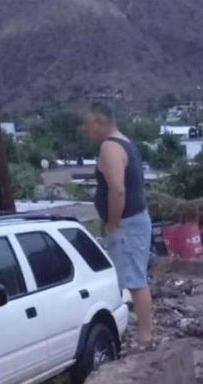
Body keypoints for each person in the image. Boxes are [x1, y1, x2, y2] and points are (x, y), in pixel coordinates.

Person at [82, 103, 154, 350]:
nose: (86, 130)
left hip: (127, 223)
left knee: (135, 280)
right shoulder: (124, 143)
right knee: (133, 278)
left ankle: (145, 338)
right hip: (133, 221)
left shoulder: (110, 147)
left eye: (89, 124)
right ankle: (140, 332)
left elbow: (117, 190)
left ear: (101, 123)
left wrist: (113, 223)